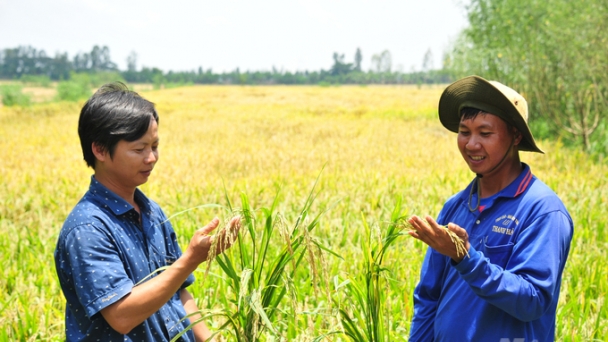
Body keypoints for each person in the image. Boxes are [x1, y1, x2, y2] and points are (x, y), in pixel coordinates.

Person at [54, 82, 240, 341]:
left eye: (154, 146)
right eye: (139, 149)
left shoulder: (152, 212)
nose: (151, 157)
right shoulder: (88, 229)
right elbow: (121, 315)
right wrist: (190, 260)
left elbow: (179, 293)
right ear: (99, 149)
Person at [407, 75, 573, 341]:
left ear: (516, 136)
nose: (471, 144)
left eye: (485, 133)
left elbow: (532, 300)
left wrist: (466, 258)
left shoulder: (542, 211)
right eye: (464, 132)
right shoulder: (455, 207)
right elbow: (428, 298)